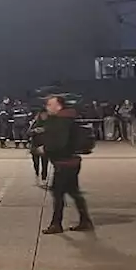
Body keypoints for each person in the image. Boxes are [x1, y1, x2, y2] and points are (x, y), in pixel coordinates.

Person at [39, 95, 94, 235]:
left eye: (50, 104)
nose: (47, 106)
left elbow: (59, 142)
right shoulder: (67, 119)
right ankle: (85, 221)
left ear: (59, 106)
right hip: (71, 162)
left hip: (64, 163)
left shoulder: (62, 121)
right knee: (74, 192)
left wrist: (45, 149)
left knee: (58, 193)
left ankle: (56, 224)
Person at [28, 109, 50, 186]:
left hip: (45, 146)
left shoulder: (50, 123)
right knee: (36, 163)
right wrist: (35, 131)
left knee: (45, 163)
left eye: (45, 114)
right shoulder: (35, 122)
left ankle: (44, 178)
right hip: (35, 146)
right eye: (42, 114)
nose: (44, 116)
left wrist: (45, 130)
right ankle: (37, 175)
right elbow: (28, 132)